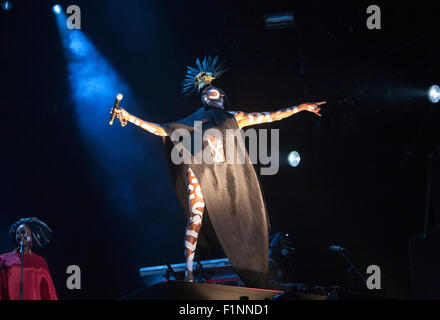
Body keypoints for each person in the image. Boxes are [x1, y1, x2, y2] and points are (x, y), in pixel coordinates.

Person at [111, 56, 325, 288]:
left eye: (211, 90)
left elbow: (271, 116)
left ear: (221, 96)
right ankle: (190, 273)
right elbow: (163, 130)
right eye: (204, 92)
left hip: (229, 175)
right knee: (196, 217)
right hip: (202, 171)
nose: (207, 93)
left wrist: (301, 108)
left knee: (247, 215)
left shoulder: (236, 117)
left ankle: (256, 270)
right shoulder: (195, 120)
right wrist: (129, 117)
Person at [0, 217, 58, 300]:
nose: (21, 235)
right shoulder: (3, 259)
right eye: (18, 233)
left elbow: (48, 290)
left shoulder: (39, 261)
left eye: (24, 232)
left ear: (31, 237)